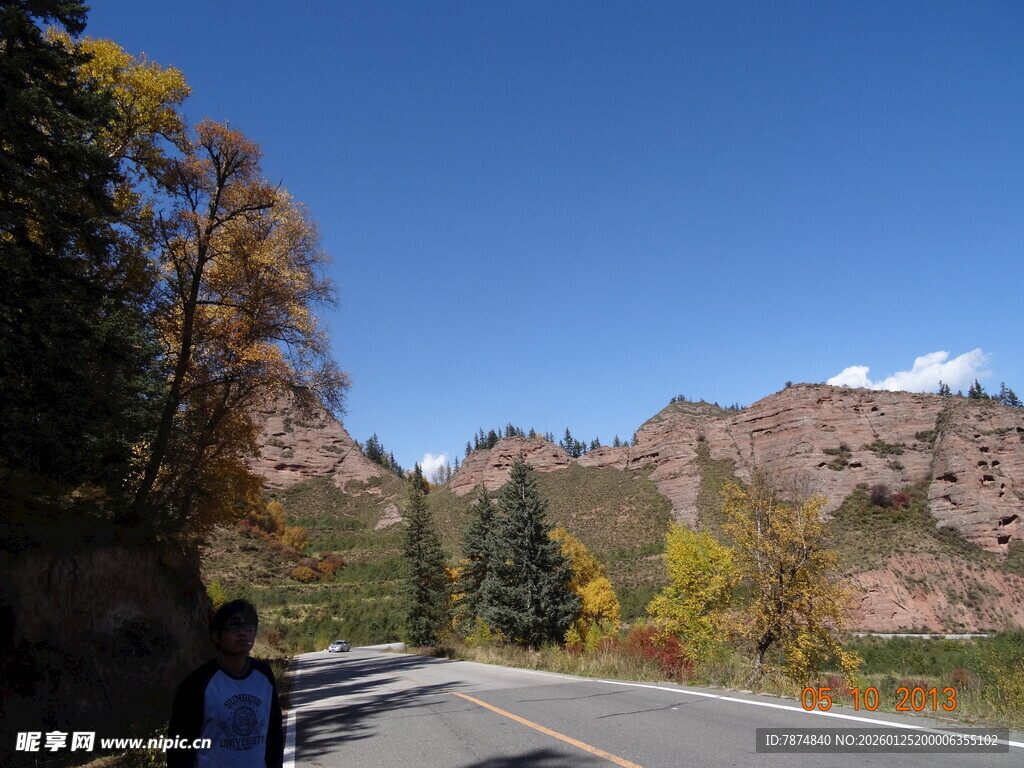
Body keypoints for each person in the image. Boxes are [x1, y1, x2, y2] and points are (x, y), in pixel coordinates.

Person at [168, 599, 284, 768]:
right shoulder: (197, 683)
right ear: (216, 636)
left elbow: (274, 732)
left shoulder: (264, 675)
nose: (243, 633)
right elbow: (179, 748)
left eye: (249, 627)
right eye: (234, 627)